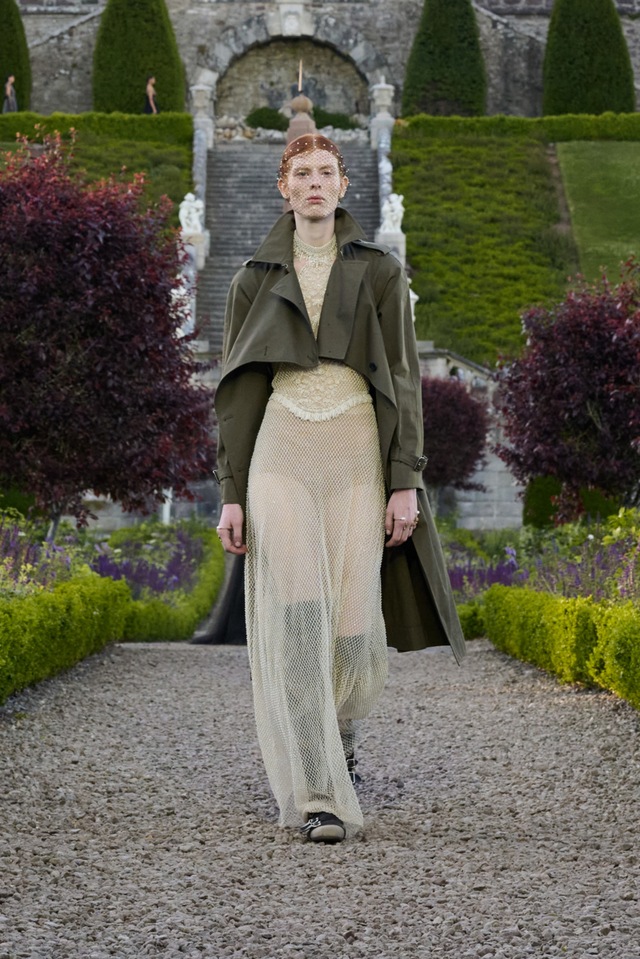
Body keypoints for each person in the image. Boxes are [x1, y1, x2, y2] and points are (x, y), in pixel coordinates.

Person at [214, 134, 465, 844]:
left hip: (357, 453)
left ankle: (341, 743)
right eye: (302, 173)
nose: (314, 183)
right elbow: (236, 393)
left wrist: (404, 480)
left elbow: (405, 379)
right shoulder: (251, 279)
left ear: (345, 184)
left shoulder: (380, 271)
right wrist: (232, 491)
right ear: (284, 187)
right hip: (282, 452)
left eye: (326, 172)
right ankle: (320, 788)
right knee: (299, 616)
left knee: (353, 623)